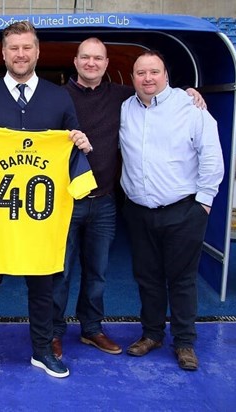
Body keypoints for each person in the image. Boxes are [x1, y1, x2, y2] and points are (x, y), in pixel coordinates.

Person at [0, 21, 93, 382]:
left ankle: (43, 350)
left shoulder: (59, 96)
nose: (20, 54)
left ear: (37, 51)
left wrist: (77, 141)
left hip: (40, 220)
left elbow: (72, 141)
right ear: (3, 53)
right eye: (13, 48)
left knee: (43, 288)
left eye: (27, 47)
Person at [52, 37, 207, 359]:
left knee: (97, 272)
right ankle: (52, 332)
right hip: (65, 202)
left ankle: (91, 329)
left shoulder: (124, 97)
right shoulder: (55, 97)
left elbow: (159, 95)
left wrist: (189, 92)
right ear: (76, 61)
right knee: (59, 272)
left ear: (108, 64)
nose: (91, 63)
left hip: (106, 202)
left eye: (98, 58)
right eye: (85, 57)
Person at [120, 50, 224, 371]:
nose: (148, 78)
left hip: (184, 211)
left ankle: (184, 342)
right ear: (133, 77)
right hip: (139, 211)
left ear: (166, 75)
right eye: (141, 73)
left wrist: (203, 203)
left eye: (154, 72)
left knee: (181, 280)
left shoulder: (190, 107)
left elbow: (211, 156)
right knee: (147, 277)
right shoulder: (126, 108)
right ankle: (152, 334)